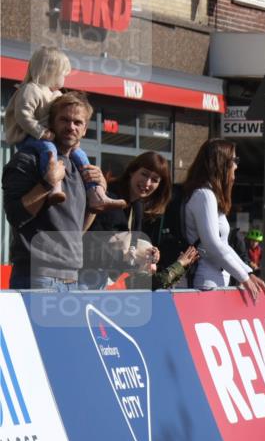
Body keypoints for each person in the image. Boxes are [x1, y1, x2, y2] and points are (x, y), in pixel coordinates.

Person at [2, 91, 110, 290]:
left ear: (85, 129)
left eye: (78, 122)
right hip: (36, 277)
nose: (71, 127)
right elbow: (16, 216)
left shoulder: (80, 168)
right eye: (64, 120)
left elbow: (76, 230)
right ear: (51, 122)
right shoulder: (28, 159)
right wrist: (47, 184)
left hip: (72, 279)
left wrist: (98, 195)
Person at [3, 46, 122, 212]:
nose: (70, 127)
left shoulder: (56, 94)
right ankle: (55, 188)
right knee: (49, 148)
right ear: (48, 71)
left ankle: (97, 193)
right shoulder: (31, 89)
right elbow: (23, 116)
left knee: (80, 154)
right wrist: (41, 132)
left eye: (77, 123)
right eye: (61, 74)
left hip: (46, 136)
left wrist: (100, 182)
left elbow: (76, 225)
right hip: (28, 136)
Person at [182, 138, 265, 300]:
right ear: (221, 163)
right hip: (205, 282)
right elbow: (212, 244)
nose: (236, 165)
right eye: (234, 160)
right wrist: (244, 277)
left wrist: (247, 272)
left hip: (214, 281)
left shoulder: (210, 195)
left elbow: (224, 245)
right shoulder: (204, 195)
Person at [80, 151, 171, 289]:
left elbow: (129, 251)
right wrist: (123, 253)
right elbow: (86, 245)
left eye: (155, 179)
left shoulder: (138, 206)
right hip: (84, 277)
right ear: (132, 172)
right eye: (144, 174)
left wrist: (147, 254)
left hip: (106, 281)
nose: (147, 183)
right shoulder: (108, 197)